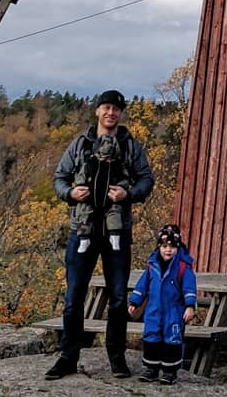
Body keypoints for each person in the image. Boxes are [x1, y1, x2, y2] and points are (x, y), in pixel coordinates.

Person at [44, 89, 154, 381]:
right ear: (97, 111)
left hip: (118, 232)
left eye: (116, 109)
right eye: (106, 107)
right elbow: (59, 178)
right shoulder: (80, 144)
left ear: (120, 113)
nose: (110, 113)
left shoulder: (131, 146)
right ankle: (68, 357)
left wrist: (129, 194)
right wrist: (70, 194)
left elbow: (146, 179)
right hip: (82, 230)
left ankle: (117, 358)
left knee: (118, 298)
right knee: (73, 297)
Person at [128, 223, 198, 385]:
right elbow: (142, 285)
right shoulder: (152, 266)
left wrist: (189, 306)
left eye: (172, 247)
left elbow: (189, 288)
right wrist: (134, 302)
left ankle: (170, 371)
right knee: (151, 336)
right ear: (159, 247)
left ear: (178, 248)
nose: (168, 250)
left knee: (172, 339)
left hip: (174, 311)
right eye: (165, 246)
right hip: (153, 310)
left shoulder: (183, 267)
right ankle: (151, 369)